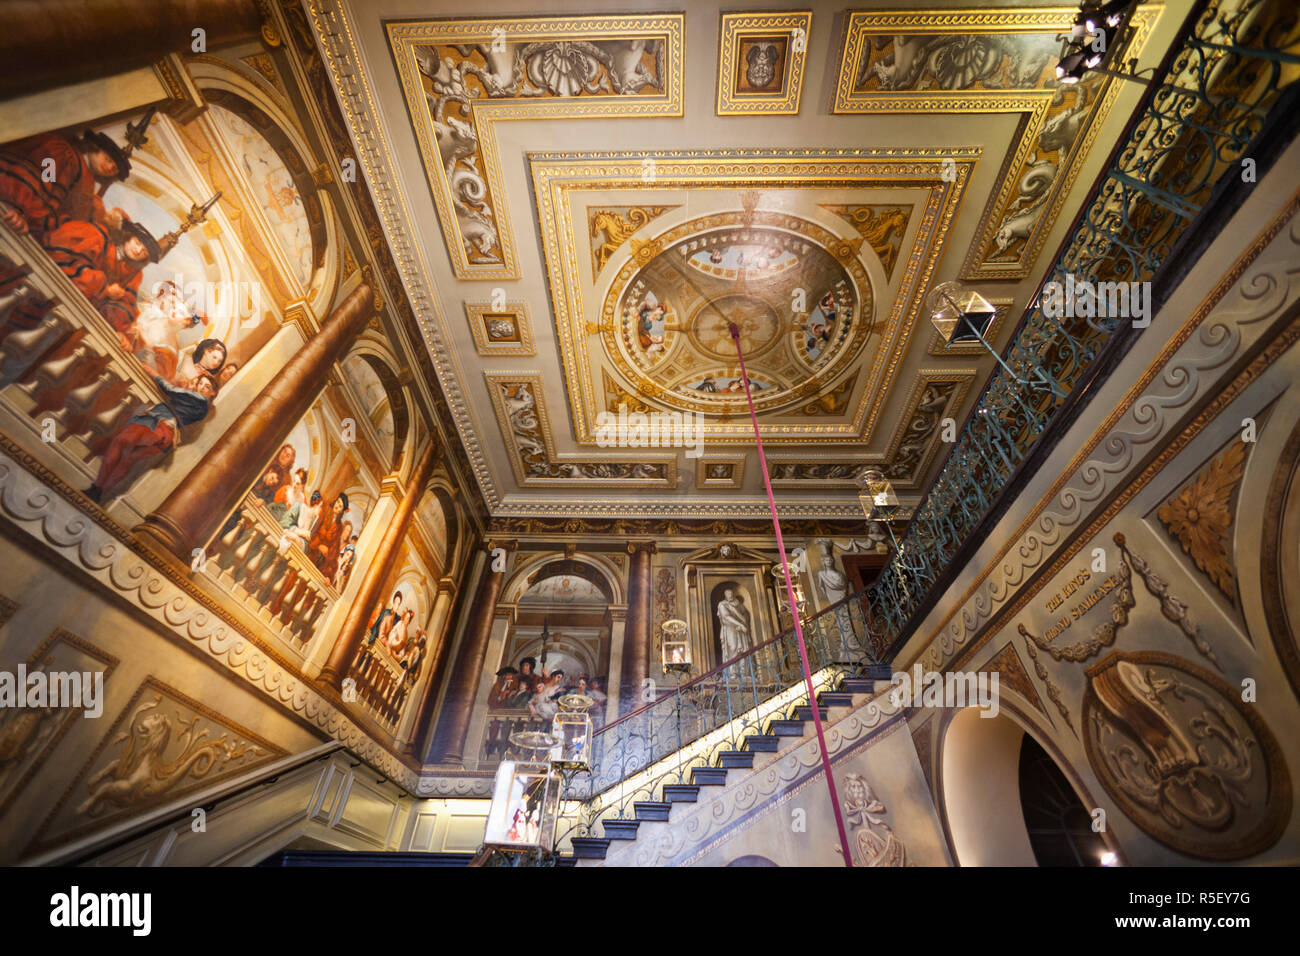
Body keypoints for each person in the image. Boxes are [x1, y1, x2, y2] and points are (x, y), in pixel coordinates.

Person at [85, 371, 218, 503]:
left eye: (206, 387)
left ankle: (97, 487)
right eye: (201, 384)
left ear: (213, 393)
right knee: (129, 459)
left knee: (119, 442)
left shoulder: (199, 398)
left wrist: (151, 372)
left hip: (156, 425)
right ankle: (101, 494)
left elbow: (169, 389)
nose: (201, 387)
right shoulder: (202, 410)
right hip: (167, 436)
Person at [0, 130, 130, 239]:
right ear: (93, 147)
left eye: (114, 169)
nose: (108, 167)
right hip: (10, 214)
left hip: (32, 231)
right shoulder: (62, 153)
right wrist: (21, 212)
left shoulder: (86, 179)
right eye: (108, 159)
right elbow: (39, 183)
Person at [43, 216, 161, 334]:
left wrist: (121, 330)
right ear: (128, 238)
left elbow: (127, 304)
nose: (138, 250)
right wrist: (105, 290)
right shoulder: (99, 239)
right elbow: (71, 265)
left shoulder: (132, 272)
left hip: (77, 315)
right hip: (53, 293)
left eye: (144, 252)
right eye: (137, 242)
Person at [307, 491, 348, 578]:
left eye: (340, 506)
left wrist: (328, 574)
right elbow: (313, 529)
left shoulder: (339, 527)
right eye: (337, 502)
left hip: (321, 560)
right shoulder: (325, 511)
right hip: (310, 550)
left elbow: (334, 549)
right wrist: (319, 546)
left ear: (342, 511)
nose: (337, 506)